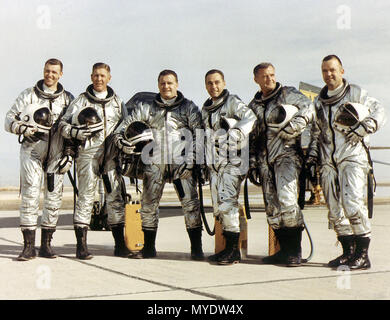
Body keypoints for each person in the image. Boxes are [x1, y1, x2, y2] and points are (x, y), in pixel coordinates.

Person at [113, 69, 204, 260]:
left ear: (177, 84)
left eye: (170, 83)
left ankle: (196, 249)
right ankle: (149, 248)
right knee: (148, 205)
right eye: (163, 83)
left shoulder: (188, 108)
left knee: (191, 206)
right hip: (154, 163)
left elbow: (199, 133)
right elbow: (125, 126)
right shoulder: (146, 108)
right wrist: (121, 141)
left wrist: (193, 161)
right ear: (158, 85)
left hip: (182, 164)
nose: (166, 86)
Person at [307, 55, 386, 270]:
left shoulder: (356, 93)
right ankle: (347, 251)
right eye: (324, 71)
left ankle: (363, 254)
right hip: (328, 160)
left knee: (352, 204)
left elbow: (379, 111)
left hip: (351, 156)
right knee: (334, 209)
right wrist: (312, 157)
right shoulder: (319, 102)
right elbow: (316, 131)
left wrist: (365, 127)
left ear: (342, 71)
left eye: (332, 70)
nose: (328, 74)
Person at [4, 58, 74, 261]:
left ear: (61, 74)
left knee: (53, 200)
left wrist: (69, 154)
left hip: (57, 154)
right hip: (32, 151)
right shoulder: (29, 95)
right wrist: (21, 128)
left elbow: (72, 127)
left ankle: (46, 245)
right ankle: (28, 247)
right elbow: (9, 119)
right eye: (47, 71)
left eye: (54, 72)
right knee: (30, 196)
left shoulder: (68, 99)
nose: (49, 75)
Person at [59, 62, 129, 260]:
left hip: (111, 157)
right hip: (87, 155)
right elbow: (63, 125)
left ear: (109, 78)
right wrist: (75, 132)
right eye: (96, 75)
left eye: (102, 76)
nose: (99, 79)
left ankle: (119, 245)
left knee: (115, 199)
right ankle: (81, 246)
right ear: (91, 77)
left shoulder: (117, 102)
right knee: (85, 199)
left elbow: (126, 125)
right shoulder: (80, 101)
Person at [248, 62, 314, 267]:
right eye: (264, 76)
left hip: (286, 157)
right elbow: (252, 136)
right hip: (264, 162)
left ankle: (295, 251)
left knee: (287, 202)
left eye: (272, 75)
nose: (269, 79)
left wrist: (294, 127)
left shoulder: (287, 94)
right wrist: (251, 162)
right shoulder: (255, 105)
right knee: (273, 209)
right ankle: (283, 251)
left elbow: (309, 108)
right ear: (256, 79)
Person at [202, 69, 256, 265]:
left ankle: (234, 251)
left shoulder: (232, 102)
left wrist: (236, 134)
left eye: (217, 82)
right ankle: (227, 248)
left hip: (232, 163)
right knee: (219, 207)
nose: (213, 86)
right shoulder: (206, 109)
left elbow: (250, 117)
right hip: (215, 165)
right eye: (209, 83)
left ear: (224, 83)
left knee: (227, 204)